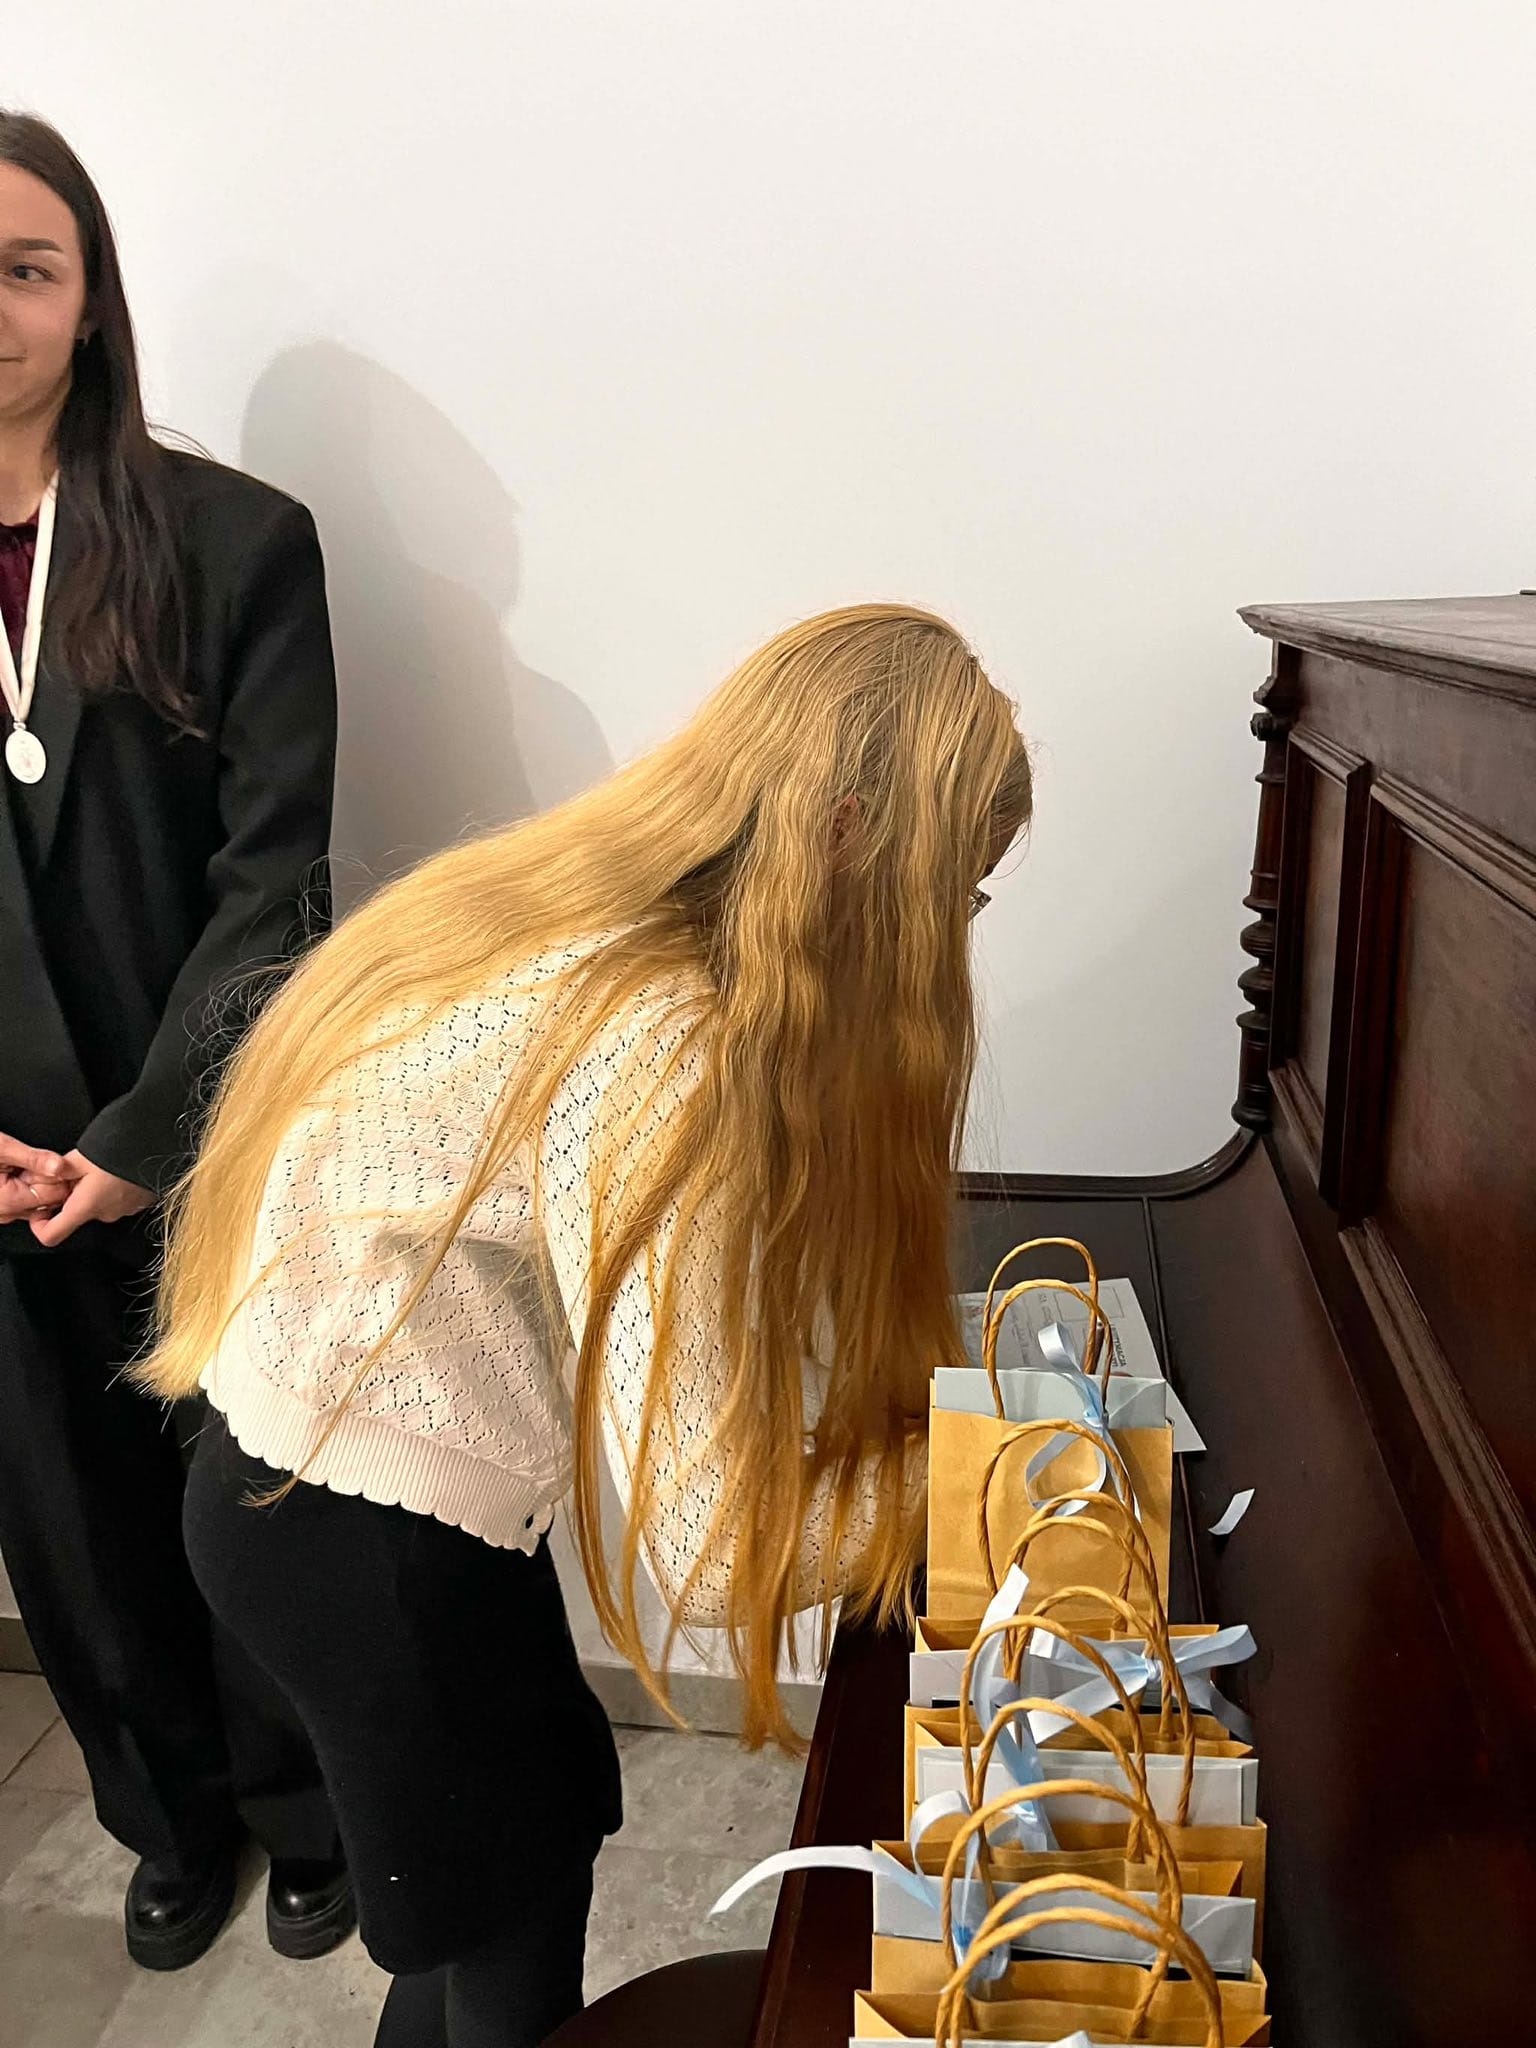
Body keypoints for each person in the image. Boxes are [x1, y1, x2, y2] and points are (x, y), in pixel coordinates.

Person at [140, 601, 1032, 2047]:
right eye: (959, 891)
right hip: (364, 1544)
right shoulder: (666, 1041)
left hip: (279, 1491)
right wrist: (993, 1472)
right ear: (853, 836)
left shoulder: (574, 906)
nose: (958, 933)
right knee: (509, 1928)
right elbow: (712, 1548)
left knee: (480, 1894)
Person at [0, 112, 350, 1969]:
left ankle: (304, 1811)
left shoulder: (236, 545)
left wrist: (145, 1136)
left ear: (90, 296)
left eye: (25, 267)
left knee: (251, 1493)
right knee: (66, 1524)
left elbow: (277, 883)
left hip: (207, 1139)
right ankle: (166, 1817)